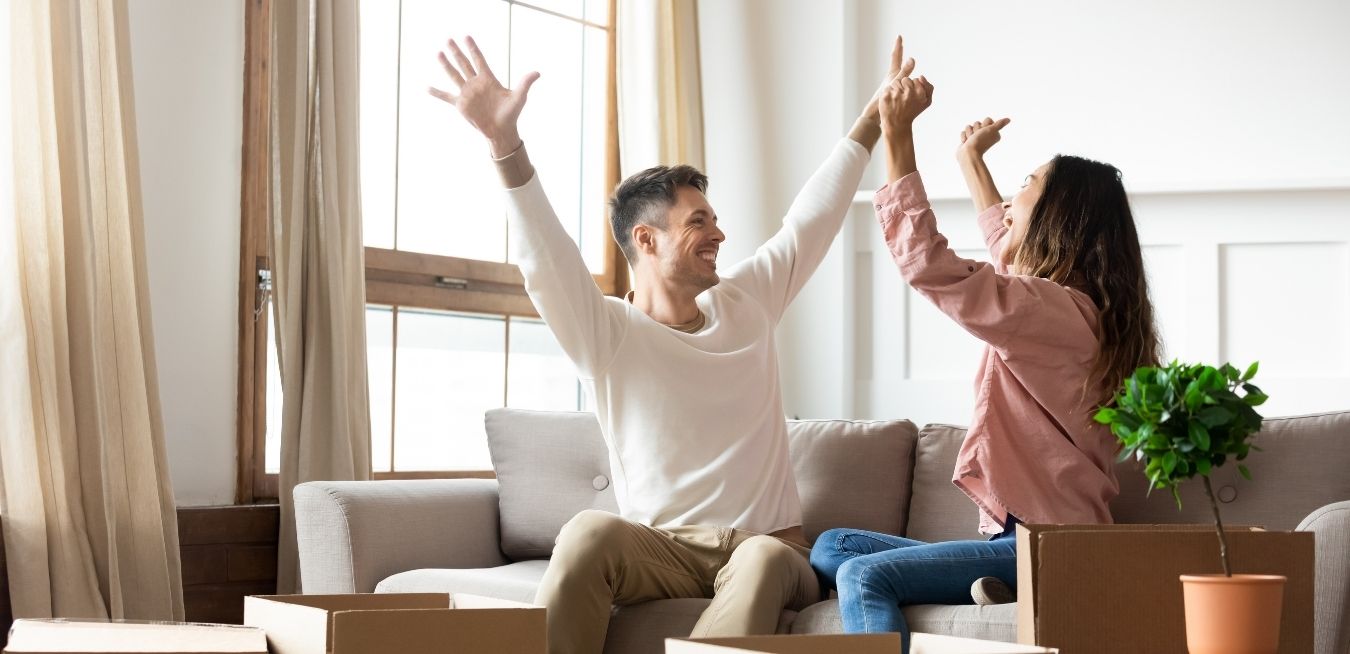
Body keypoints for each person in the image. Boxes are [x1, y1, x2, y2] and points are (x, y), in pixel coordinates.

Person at [429, 35, 912, 654]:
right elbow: (546, 260)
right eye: (698, 223)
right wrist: (505, 145)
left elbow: (812, 217)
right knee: (586, 533)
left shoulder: (749, 300)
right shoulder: (607, 334)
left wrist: (873, 119)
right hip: (664, 550)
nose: (720, 233)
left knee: (763, 559)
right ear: (647, 240)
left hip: (771, 548)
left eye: (713, 219)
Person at [809, 68, 1161, 652]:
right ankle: (988, 582)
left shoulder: (1052, 311)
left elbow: (931, 266)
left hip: (1048, 544)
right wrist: (971, 160)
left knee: (861, 572)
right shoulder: (1070, 306)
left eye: (1028, 181)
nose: (1014, 195)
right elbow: (1009, 251)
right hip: (1025, 540)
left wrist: (898, 136)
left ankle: (995, 579)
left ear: (1057, 214)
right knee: (833, 546)